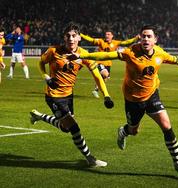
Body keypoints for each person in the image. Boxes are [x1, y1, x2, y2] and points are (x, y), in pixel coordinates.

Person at [69, 25, 178, 176]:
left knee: (166, 125)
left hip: (152, 95)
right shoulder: (130, 52)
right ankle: (123, 131)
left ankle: (177, 162)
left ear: (155, 39)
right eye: (143, 36)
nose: (146, 39)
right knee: (134, 131)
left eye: (149, 36)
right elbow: (106, 56)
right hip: (133, 99)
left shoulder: (160, 53)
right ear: (139, 38)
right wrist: (83, 56)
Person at [29, 23, 114, 167]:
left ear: (79, 38)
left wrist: (106, 95)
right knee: (74, 128)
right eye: (68, 36)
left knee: (65, 127)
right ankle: (90, 159)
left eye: (74, 36)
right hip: (53, 95)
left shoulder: (83, 55)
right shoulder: (54, 51)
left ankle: (38, 116)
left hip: (69, 95)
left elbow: (97, 76)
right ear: (64, 38)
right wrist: (46, 78)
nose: (71, 39)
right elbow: (40, 63)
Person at [80, 31, 139, 98]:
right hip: (100, 62)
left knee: (105, 78)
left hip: (108, 64)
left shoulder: (115, 43)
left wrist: (135, 38)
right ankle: (98, 91)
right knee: (105, 74)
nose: (107, 35)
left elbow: (126, 42)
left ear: (112, 36)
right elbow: (91, 39)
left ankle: (96, 90)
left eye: (108, 34)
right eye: (106, 34)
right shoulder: (101, 41)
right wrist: (81, 35)